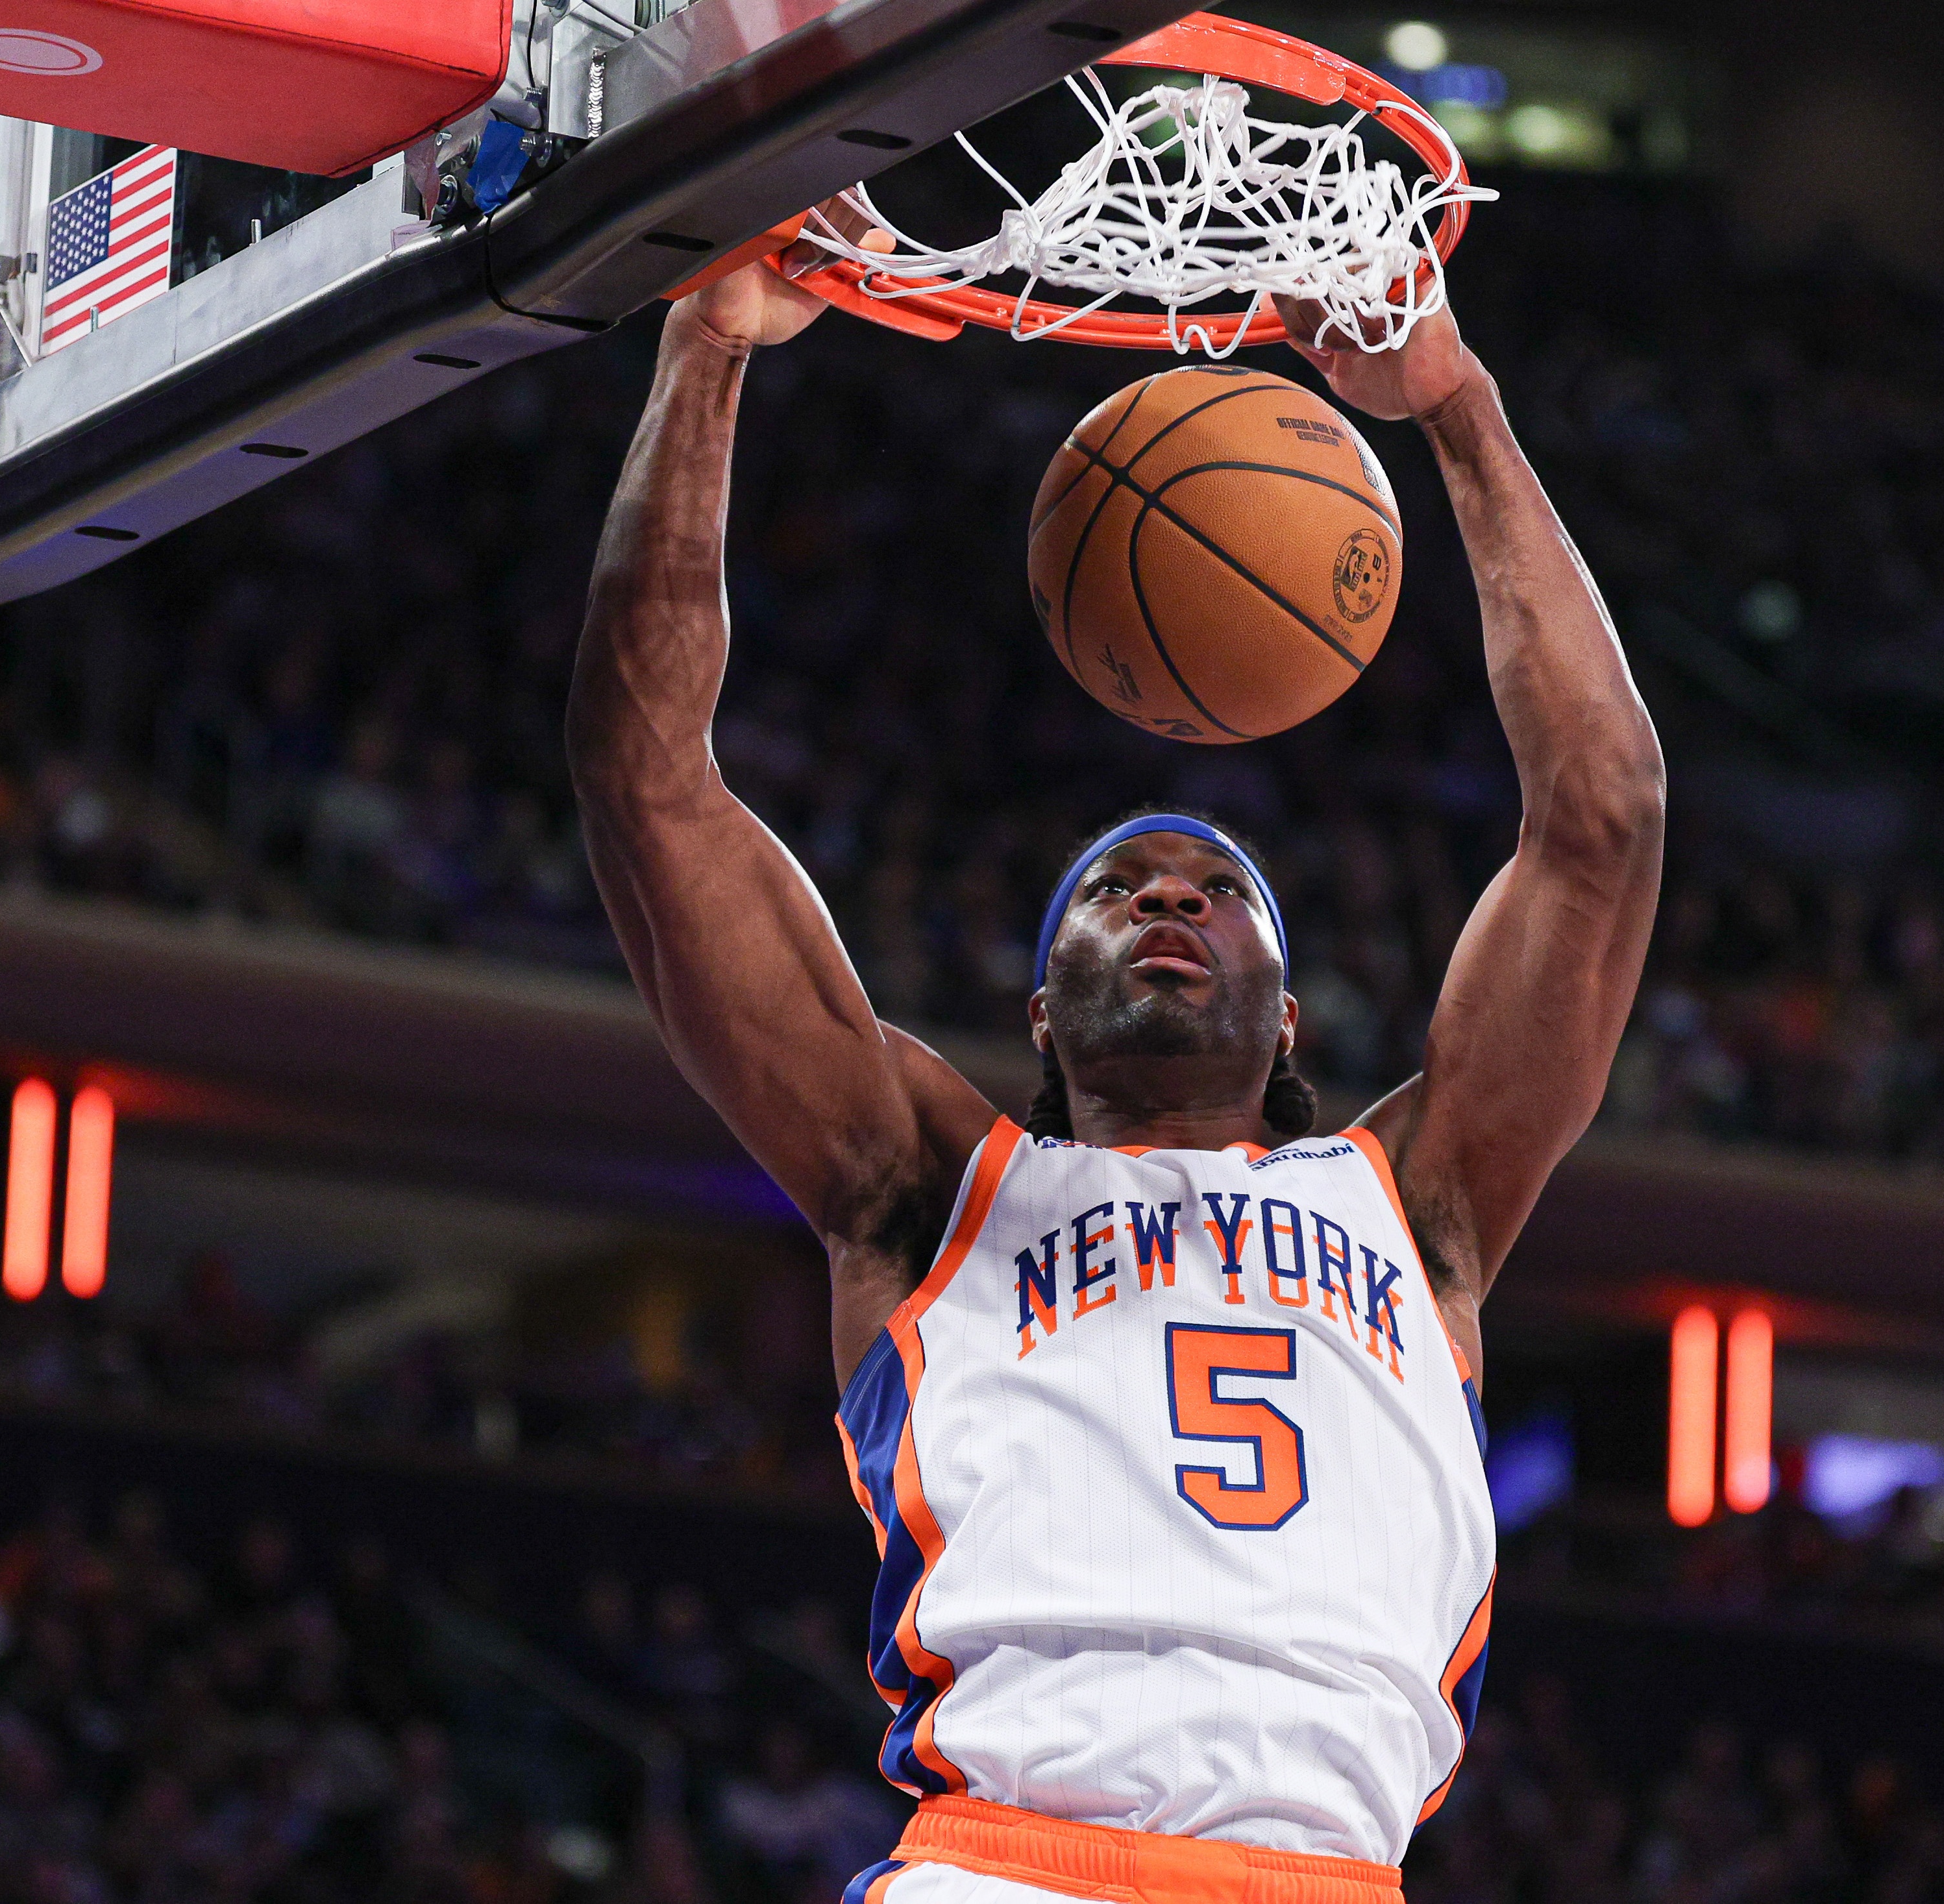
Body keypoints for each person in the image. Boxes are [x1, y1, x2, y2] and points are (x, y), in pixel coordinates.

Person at [567, 210, 1665, 1904]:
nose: (1165, 894)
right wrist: (704, 353)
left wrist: (1456, 409)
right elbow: (646, 784)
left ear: (1287, 1021)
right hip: (1013, 1867)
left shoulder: (1420, 1203)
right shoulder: (927, 1189)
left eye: (1218, 890)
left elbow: (1603, 821)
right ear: (1038, 1015)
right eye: (1113, 889)